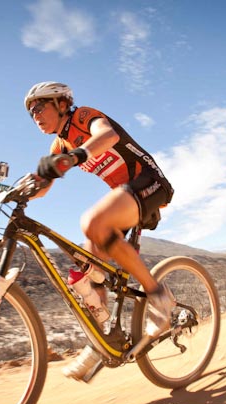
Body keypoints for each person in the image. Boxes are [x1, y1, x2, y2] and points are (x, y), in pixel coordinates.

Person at [24, 81, 175, 381]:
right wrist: (18, 191)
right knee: (84, 266)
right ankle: (102, 341)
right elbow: (43, 186)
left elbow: (108, 135)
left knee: (92, 223)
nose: (35, 115)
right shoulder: (58, 146)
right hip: (124, 195)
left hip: (150, 183)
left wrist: (76, 156)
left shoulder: (82, 116)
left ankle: (159, 296)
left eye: (39, 107)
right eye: (30, 113)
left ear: (61, 103)